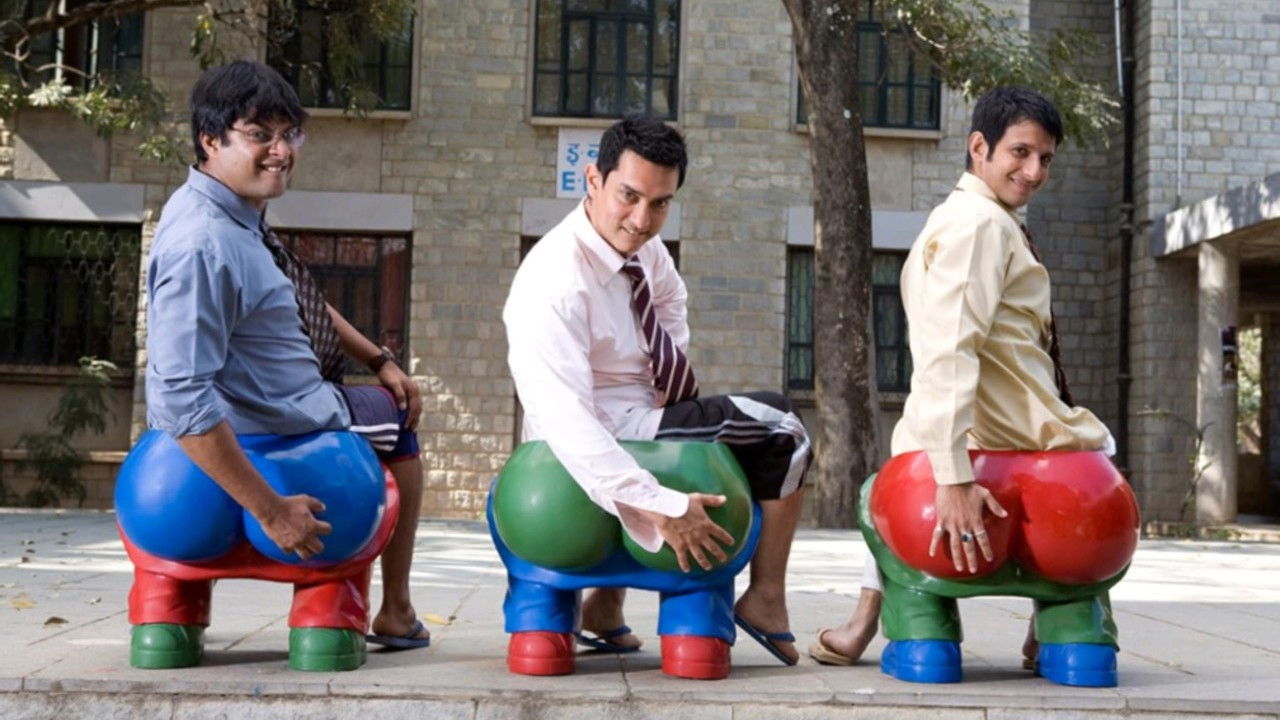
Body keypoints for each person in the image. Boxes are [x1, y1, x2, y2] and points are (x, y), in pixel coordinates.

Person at [809, 86, 1114, 667]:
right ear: (979, 147)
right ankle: (1071, 629)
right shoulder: (979, 226)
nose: (1033, 172)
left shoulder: (977, 220)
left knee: (894, 470)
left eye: (1045, 159)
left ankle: (897, 629)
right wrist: (951, 478)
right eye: (1020, 152)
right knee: (1100, 447)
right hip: (1006, 440)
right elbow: (951, 349)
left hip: (974, 431)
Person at [503, 115, 809, 666]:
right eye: (629, 196)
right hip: (585, 441)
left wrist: (662, 377)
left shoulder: (644, 249)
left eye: (660, 203)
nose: (642, 220)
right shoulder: (552, 280)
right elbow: (566, 421)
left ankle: (604, 606)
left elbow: (669, 300)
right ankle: (766, 596)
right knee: (785, 428)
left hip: (640, 412)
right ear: (593, 180)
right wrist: (660, 504)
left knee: (703, 413)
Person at [146, 60, 429, 650]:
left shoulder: (231, 213)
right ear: (210, 139)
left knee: (390, 388)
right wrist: (271, 511)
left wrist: (379, 359)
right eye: (259, 135)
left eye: (289, 134)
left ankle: (168, 616)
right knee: (401, 421)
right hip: (284, 418)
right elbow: (178, 394)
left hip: (275, 397)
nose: (280, 151)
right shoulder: (204, 243)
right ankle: (397, 609)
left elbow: (295, 299)